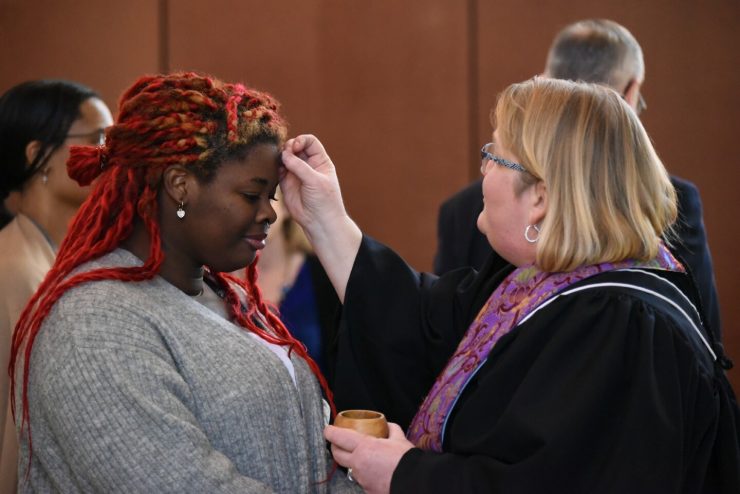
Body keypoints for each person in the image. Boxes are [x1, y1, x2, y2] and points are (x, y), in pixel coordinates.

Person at [280, 78, 740, 493]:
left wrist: (407, 474)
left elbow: (557, 483)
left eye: (493, 155)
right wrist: (326, 220)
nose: (482, 170)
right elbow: (424, 327)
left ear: (539, 197)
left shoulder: (622, 329)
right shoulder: (536, 284)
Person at [10, 72, 358, 493]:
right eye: (252, 195)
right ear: (180, 186)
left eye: (272, 197)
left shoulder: (227, 295)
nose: (269, 213)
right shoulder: (92, 325)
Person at [434, 19, 722, 340]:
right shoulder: (665, 200)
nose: (486, 168)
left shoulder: (626, 315)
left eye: (496, 155)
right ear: (631, 91)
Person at [0, 79, 113, 494]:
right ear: (39, 156)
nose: (111, 154)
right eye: (98, 138)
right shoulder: (16, 270)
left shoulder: (49, 258)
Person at [258, 189, 341, 381]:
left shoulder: (323, 275)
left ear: (286, 207)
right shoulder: (211, 280)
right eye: (246, 197)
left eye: (265, 198)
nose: (255, 212)